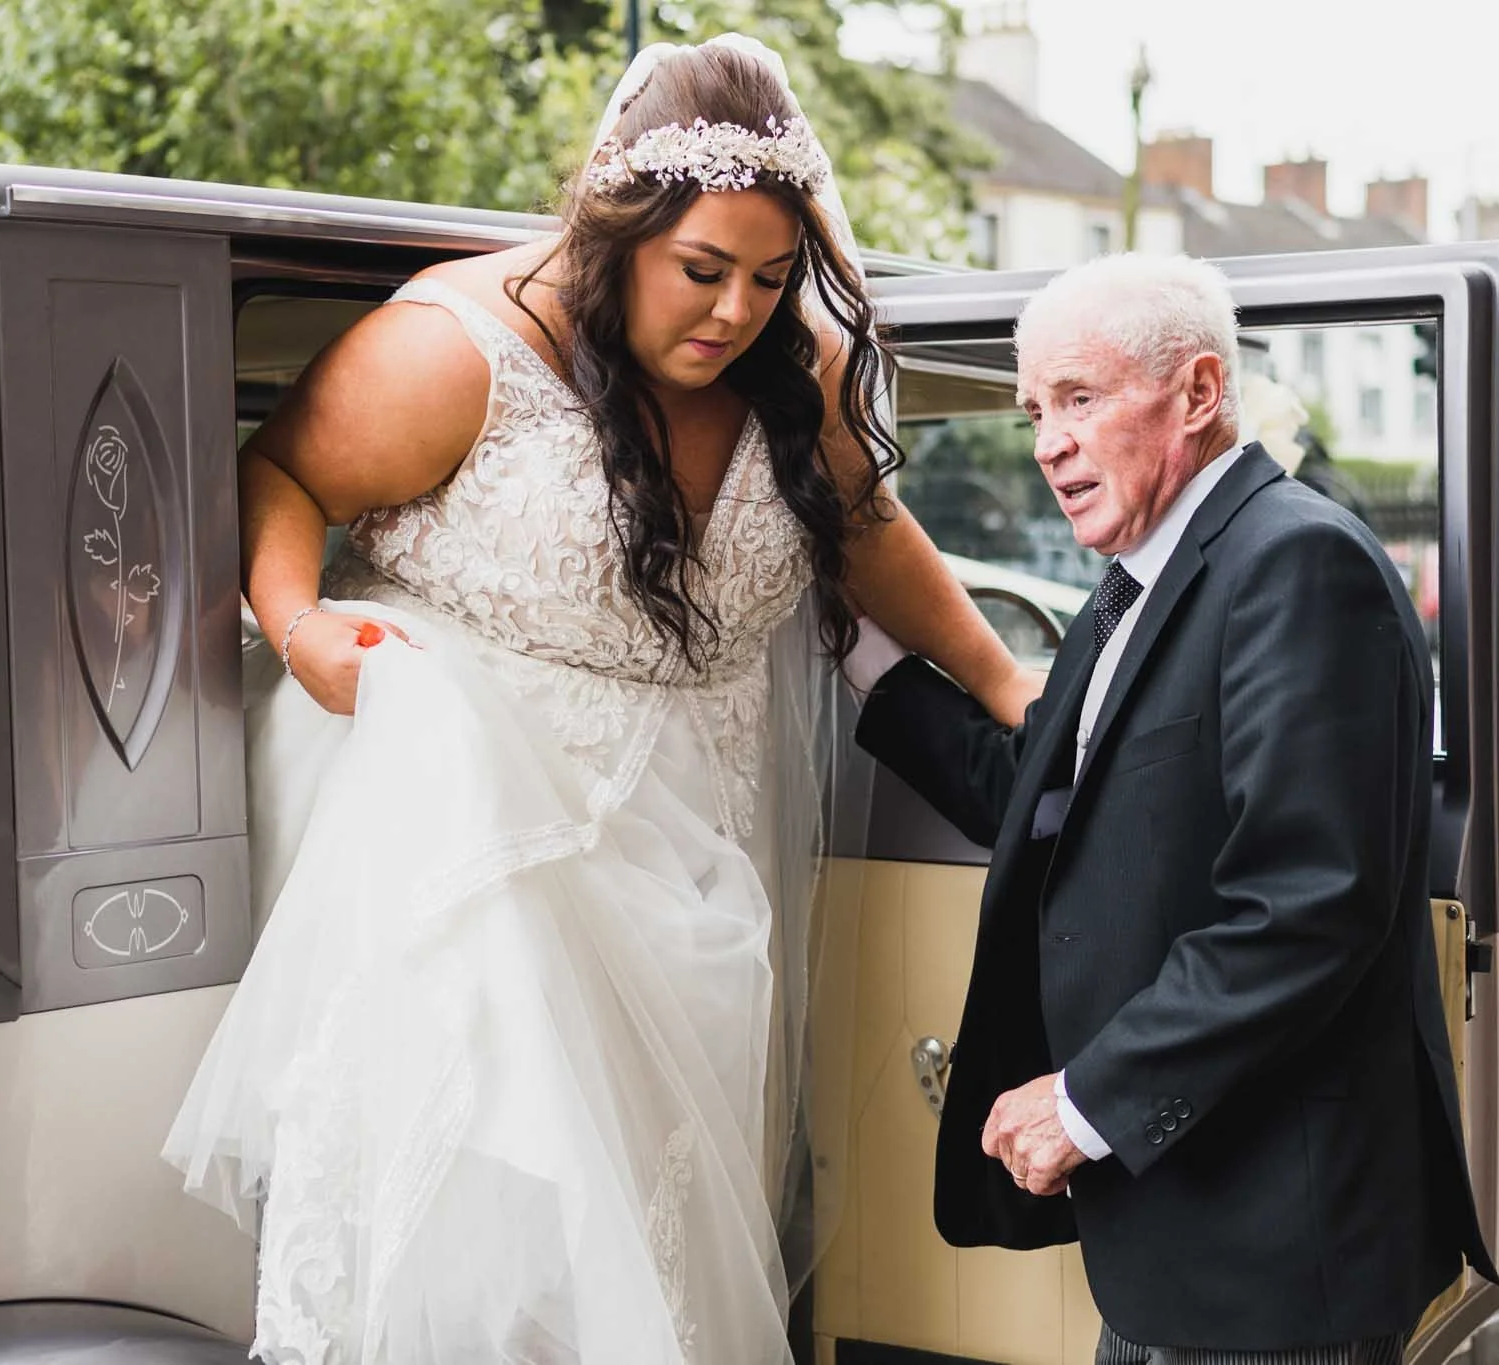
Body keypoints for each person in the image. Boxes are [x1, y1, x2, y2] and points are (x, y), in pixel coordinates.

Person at [162, 35, 1037, 1365]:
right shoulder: (456, 354)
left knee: (665, 1196)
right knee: (515, 1173)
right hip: (474, 804)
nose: (737, 309)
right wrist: (298, 621)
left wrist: (1000, 677)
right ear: (619, 232)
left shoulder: (790, 379)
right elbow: (278, 474)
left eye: (769, 274)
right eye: (703, 270)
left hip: (691, 837)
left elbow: (864, 527)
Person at [846, 253, 1498, 1364]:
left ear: (1198, 392)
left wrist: (1085, 1102)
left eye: (1080, 399)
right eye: (1034, 410)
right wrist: (850, 637)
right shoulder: (1136, 582)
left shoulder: (1295, 564)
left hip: (1279, 1258)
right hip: (1179, 1248)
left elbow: (1304, 909)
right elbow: (1034, 795)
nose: (1047, 441)